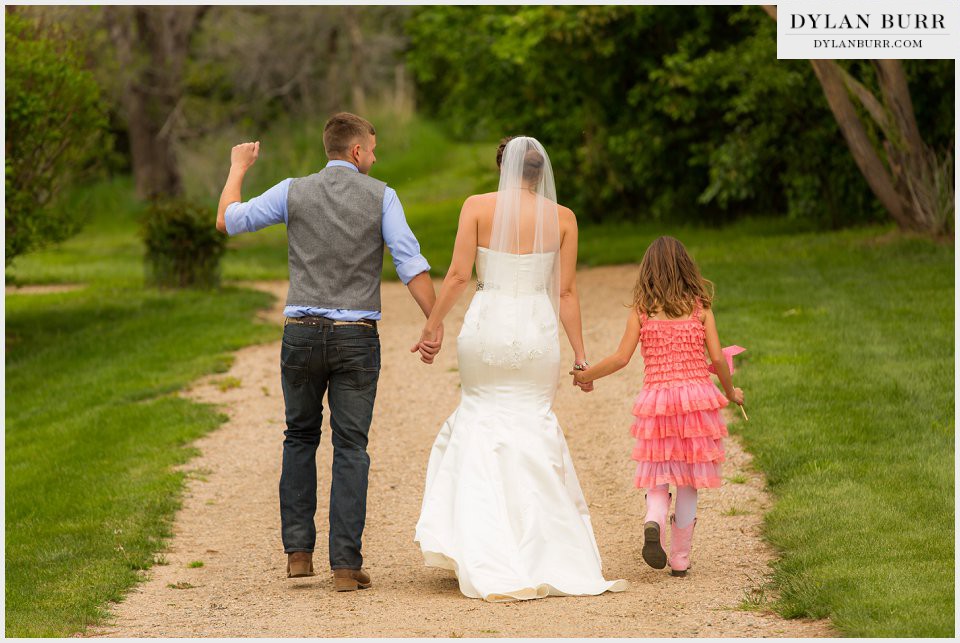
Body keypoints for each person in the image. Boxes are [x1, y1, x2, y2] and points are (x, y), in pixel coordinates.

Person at [215, 112, 442, 591]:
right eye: (373, 150)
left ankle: (299, 553)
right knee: (351, 447)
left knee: (299, 437)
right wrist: (434, 320)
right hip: (356, 337)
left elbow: (229, 221)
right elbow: (409, 262)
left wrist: (238, 167)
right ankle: (344, 564)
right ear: (357, 152)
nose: (375, 158)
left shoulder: (292, 190)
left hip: (301, 333)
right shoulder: (383, 196)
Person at [410, 136, 628, 601]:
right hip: (535, 332)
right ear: (539, 171)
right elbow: (566, 294)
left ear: (502, 168)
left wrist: (432, 325)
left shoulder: (475, 207)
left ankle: (480, 542)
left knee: (479, 417)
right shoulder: (563, 219)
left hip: (487, 329)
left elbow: (457, 276)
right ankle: (545, 545)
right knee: (534, 425)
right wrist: (581, 356)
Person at [570, 235, 744, 577]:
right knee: (690, 480)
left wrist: (588, 373)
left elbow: (621, 358)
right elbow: (718, 360)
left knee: (659, 474)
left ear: (647, 272)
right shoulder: (700, 308)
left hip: (659, 400)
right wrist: (731, 392)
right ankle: (680, 558)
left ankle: (653, 520)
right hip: (696, 401)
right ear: (686, 269)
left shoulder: (643, 311)